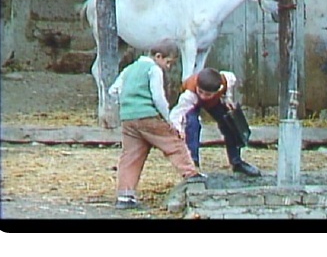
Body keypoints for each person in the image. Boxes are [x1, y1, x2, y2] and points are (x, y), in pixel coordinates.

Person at [108, 39, 205, 209]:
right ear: (158, 56)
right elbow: (158, 97)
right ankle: (191, 174)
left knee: (131, 156)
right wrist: (168, 119)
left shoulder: (129, 69)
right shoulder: (153, 69)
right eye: (168, 62)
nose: (168, 67)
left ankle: (125, 196)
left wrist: (127, 103)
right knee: (174, 143)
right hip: (148, 116)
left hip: (128, 119)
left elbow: (113, 90)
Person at [169, 68, 261, 177]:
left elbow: (228, 87)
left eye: (207, 94)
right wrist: (179, 130)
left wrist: (227, 99)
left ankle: (237, 163)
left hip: (213, 103)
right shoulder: (190, 94)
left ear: (218, 89)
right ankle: (193, 166)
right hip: (192, 104)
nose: (203, 96)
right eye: (201, 92)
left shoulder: (226, 80)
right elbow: (176, 114)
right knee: (193, 125)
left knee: (229, 124)